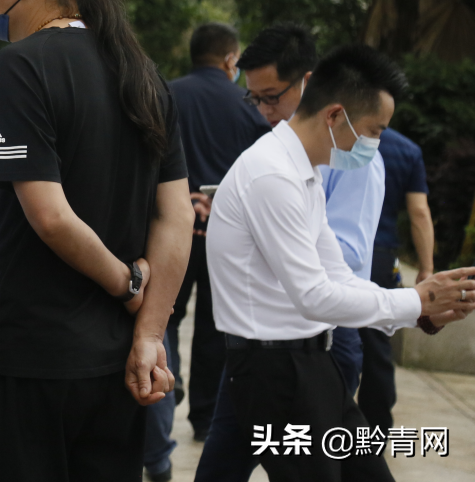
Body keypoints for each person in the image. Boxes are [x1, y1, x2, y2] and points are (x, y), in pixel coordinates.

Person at [0, 0, 193, 481]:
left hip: (24, 363)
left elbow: (50, 217)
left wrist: (129, 285)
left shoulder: (20, 68)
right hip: (111, 365)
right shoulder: (143, 74)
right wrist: (149, 333)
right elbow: (175, 217)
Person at [196, 45, 475, 482]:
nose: (375, 144)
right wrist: (413, 303)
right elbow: (313, 295)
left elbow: (338, 274)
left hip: (312, 363)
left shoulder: (303, 172)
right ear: (334, 116)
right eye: (373, 130)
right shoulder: (273, 175)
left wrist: (415, 304)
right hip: (275, 372)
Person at [143, 23, 270, 480]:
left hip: (168, 233)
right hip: (228, 239)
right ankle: (205, 417)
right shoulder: (247, 108)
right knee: (218, 330)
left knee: (162, 325)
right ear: (231, 61)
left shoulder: (166, 95)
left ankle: (162, 398)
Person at [239, 24, 384, 394]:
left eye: (271, 97)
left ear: (307, 82)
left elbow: (348, 255)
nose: (264, 110)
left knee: (321, 445)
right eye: (255, 99)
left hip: (326, 332)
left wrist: (273, 233)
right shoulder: (280, 148)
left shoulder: (352, 153)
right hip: (272, 328)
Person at [359, 127, 433, 430]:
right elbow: (419, 212)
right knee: (376, 343)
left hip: (338, 251)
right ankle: (375, 428)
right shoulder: (407, 150)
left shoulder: (337, 138)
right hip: (381, 255)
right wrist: (427, 267)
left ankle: (323, 422)